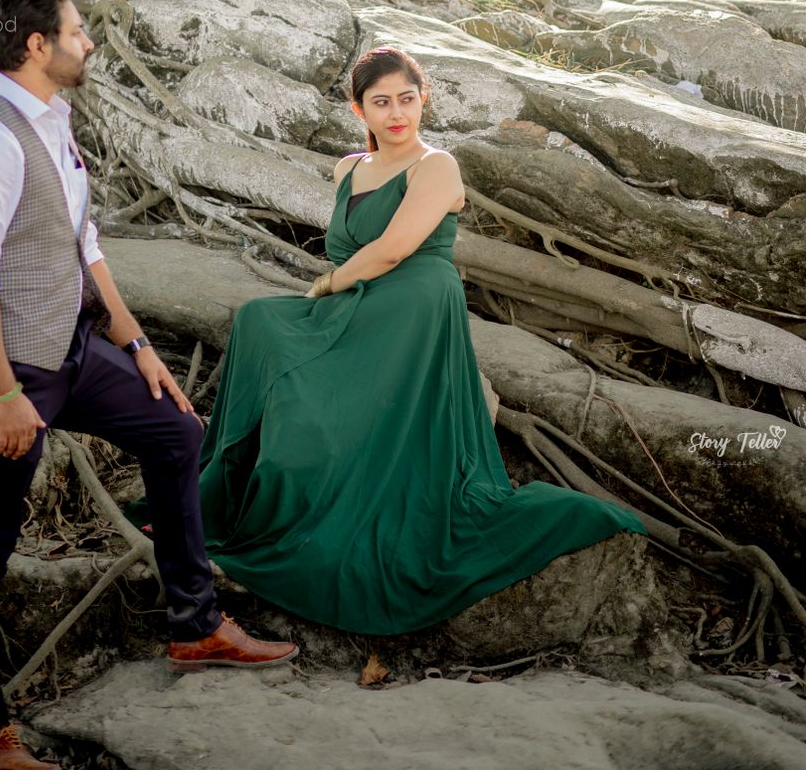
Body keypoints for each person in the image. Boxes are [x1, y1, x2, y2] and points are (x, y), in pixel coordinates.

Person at [0, 0, 296, 770]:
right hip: (7, 373)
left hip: (70, 350)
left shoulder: (53, 119)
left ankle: (195, 624)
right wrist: (0, 393)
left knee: (176, 427)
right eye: (77, 30)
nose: (88, 40)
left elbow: (81, 242)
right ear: (38, 44)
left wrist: (135, 343)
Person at [198, 45, 646, 634]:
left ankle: (328, 483)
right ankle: (215, 503)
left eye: (406, 99)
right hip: (359, 302)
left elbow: (395, 247)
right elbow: (357, 247)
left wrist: (327, 282)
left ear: (423, 99)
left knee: (317, 413)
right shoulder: (348, 169)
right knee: (258, 320)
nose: (396, 113)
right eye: (380, 102)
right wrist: (334, 289)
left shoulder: (437, 166)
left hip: (413, 306)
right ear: (358, 108)